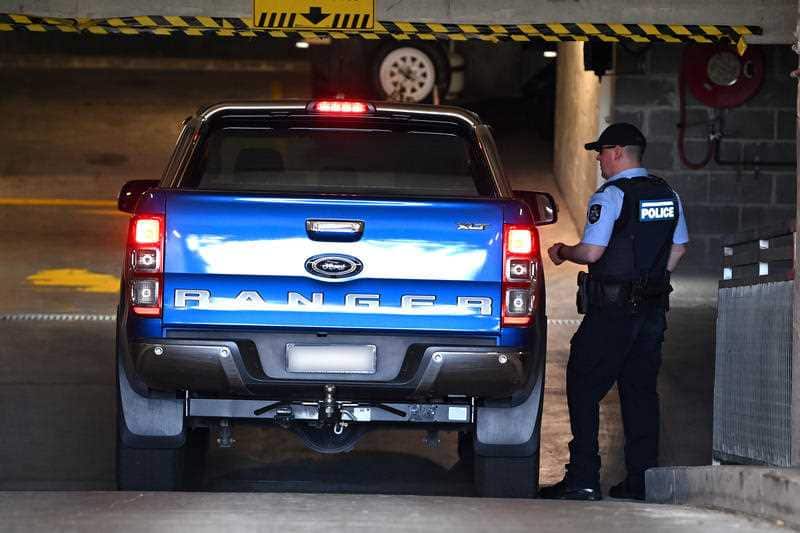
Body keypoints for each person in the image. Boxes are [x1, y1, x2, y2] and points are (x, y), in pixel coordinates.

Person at [540, 123, 689, 501]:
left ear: (619, 152)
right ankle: (641, 482)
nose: (598, 159)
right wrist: (654, 277)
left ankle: (583, 478)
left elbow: (592, 252)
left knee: (583, 383)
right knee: (640, 392)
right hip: (652, 311)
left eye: (602, 152)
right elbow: (680, 247)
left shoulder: (610, 196)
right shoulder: (667, 193)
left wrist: (562, 251)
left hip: (613, 310)